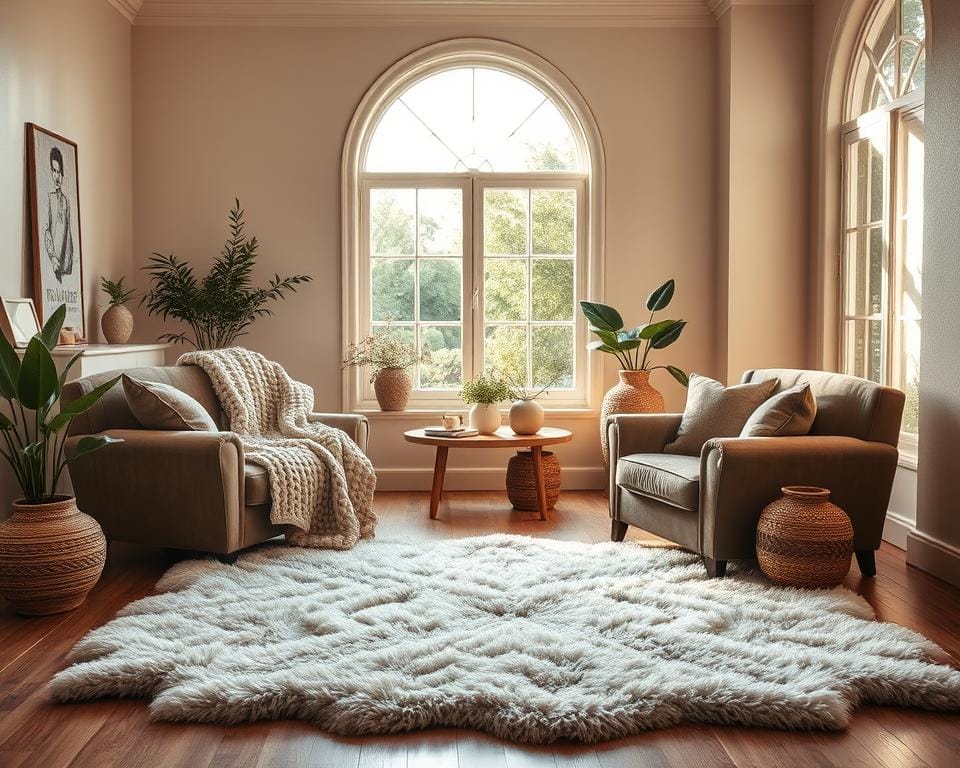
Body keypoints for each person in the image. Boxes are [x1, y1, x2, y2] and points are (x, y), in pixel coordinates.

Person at [43, 146, 74, 283]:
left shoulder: (66, 201)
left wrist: (69, 261)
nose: (57, 176)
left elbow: (68, 234)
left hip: (65, 264)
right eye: (54, 171)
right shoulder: (49, 199)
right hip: (53, 263)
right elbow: (46, 230)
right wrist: (52, 256)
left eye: (59, 172)